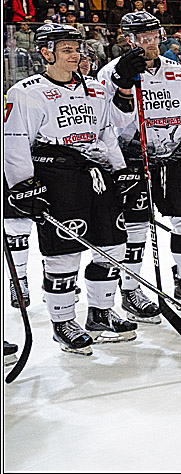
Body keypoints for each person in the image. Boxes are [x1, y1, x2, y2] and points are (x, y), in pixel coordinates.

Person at [4, 23, 143, 354]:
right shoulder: (26, 92)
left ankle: (100, 313)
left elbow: (108, 131)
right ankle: (63, 322)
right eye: (66, 49)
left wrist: (120, 171)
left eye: (77, 49)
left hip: (96, 175)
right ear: (46, 52)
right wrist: (23, 186)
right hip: (56, 179)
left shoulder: (95, 89)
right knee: (64, 255)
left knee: (113, 247)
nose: (75, 54)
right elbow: (14, 140)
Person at [96, 11, 181, 316]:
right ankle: (131, 290)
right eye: (143, 38)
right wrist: (124, 84)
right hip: (134, 160)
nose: (151, 43)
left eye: (154, 36)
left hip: (173, 158)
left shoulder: (175, 70)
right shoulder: (110, 73)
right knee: (135, 227)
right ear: (129, 39)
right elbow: (106, 122)